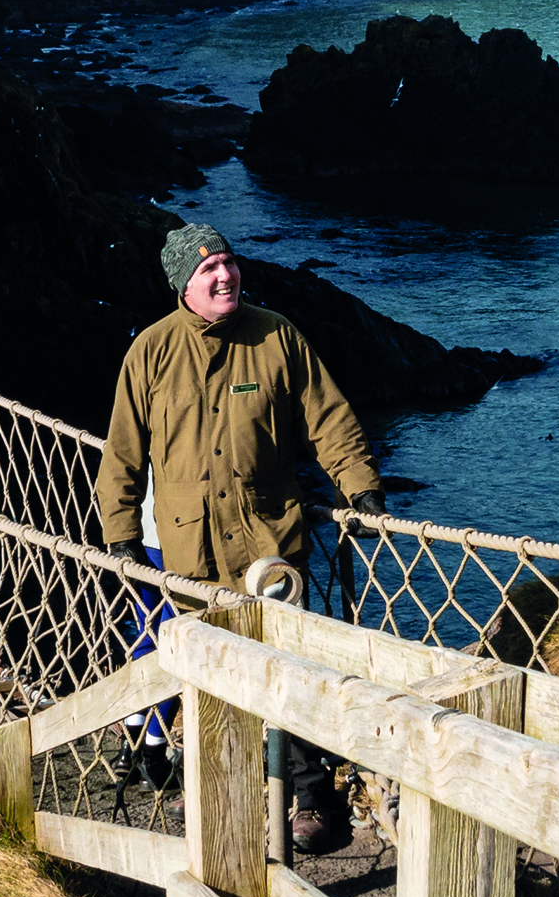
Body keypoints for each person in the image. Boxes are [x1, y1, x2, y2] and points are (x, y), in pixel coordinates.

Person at [96, 221, 384, 854]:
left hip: (269, 544)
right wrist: (120, 538)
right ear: (184, 285)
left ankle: (309, 800)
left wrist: (360, 488)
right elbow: (122, 455)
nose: (224, 275)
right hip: (189, 553)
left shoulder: (278, 337)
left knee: (290, 671)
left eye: (227, 262)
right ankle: (222, 800)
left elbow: (329, 417)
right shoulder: (150, 352)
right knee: (210, 677)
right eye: (208, 270)